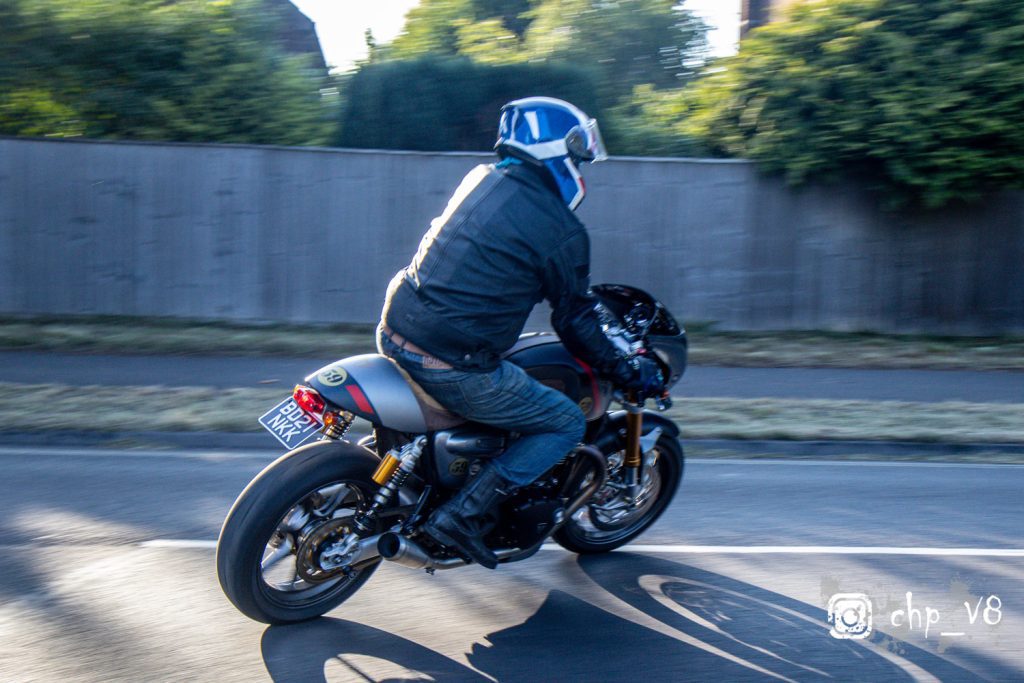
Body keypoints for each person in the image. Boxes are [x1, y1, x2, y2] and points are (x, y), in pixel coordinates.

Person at [377, 96, 663, 569]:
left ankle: (430, 478)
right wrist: (629, 368)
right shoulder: (559, 228)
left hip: (395, 328)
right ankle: (462, 516)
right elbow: (574, 318)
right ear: (554, 151)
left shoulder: (480, 180)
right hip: (452, 364)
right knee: (564, 422)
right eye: (575, 155)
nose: (578, 166)